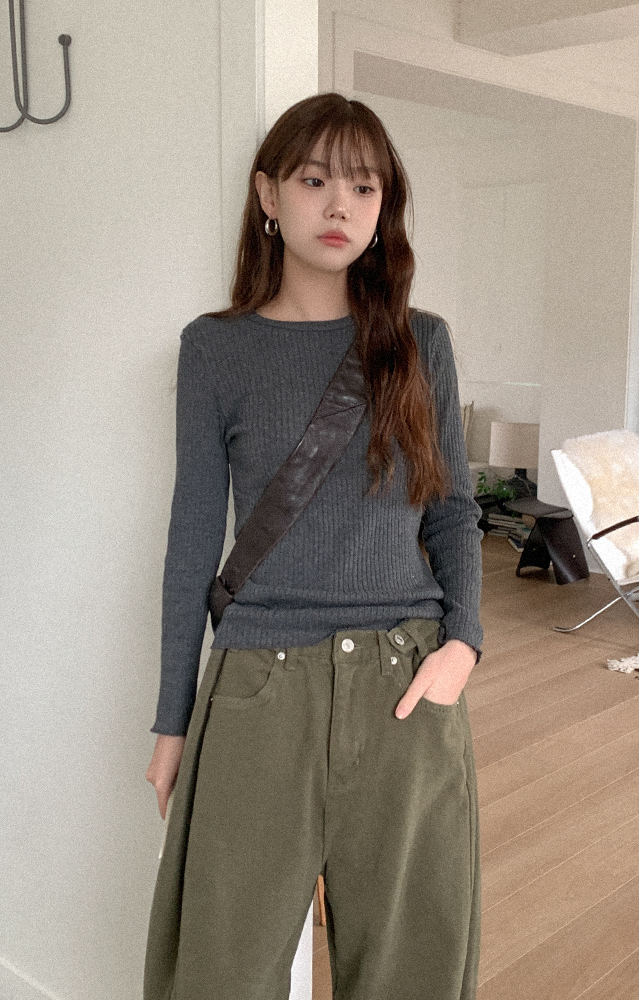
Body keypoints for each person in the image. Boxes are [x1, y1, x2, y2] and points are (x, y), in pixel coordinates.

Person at [143, 92, 483, 1000]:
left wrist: (462, 646)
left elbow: (452, 510)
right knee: (221, 970)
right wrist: (173, 721)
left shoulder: (420, 343)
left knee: (412, 970)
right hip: (260, 688)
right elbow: (191, 541)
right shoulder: (214, 350)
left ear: (383, 206)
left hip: (406, 687)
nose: (340, 205)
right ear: (269, 194)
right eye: (314, 180)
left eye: (364, 187)